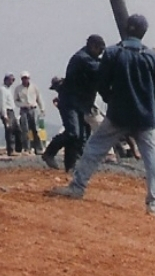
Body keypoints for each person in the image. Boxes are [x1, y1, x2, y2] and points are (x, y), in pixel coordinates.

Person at [50, 13, 155, 218]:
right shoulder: (152, 57)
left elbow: (102, 83)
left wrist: (111, 98)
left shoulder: (113, 53)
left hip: (118, 114)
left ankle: (77, 187)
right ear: (143, 33)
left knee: (94, 149)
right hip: (147, 117)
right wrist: (150, 102)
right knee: (151, 161)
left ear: (126, 28)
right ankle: (154, 204)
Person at [42, 34, 106, 172]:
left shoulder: (91, 59)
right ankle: (50, 152)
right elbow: (99, 69)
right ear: (92, 46)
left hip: (81, 103)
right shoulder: (82, 58)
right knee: (73, 133)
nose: (101, 52)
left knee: (80, 137)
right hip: (69, 102)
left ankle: (70, 166)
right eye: (100, 49)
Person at [14, 71, 44, 154]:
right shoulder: (18, 89)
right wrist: (23, 104)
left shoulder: (34, 87)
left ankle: (38, 148)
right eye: (23, 78)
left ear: (29, 78)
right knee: (25, 130)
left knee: (35, 129)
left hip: (33, 109)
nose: (25, 80)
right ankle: (27, 148)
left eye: (26, 78)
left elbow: (39, 98)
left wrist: (42, 109)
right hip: (23, 110)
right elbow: (16, 101)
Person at [2, 73, 23, 156]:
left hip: (11, 111)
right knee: (10, 130)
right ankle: (11, 150)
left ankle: (18, 149)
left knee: (17, 130)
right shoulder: (2, 90)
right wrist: (5, 115)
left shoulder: (8, 89)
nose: (12, 82)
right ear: (6, 79)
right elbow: (2, 103)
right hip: (7, 111)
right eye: (11, 80)